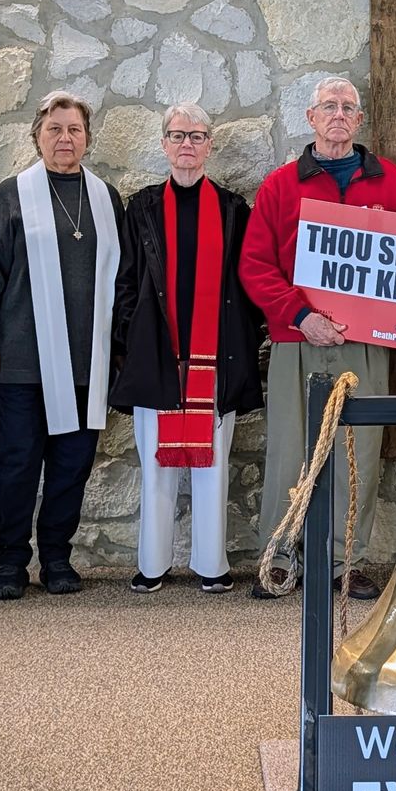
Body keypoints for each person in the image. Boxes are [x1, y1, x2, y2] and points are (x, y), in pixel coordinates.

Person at [240, 76, 396, 601]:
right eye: (328, 106)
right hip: (298, 336)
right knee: (292, 446)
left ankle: (349, 560)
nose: (338, 114)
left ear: (359, 121)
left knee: (358, 447)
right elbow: (255, 265)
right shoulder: (280, 184)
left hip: (365, 340)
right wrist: (298, 314)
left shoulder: (389, 182)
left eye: (348, 107)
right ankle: (281, 554)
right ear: (311, 118)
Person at [0, 91, 125, 601]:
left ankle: (56, 555)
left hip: (88, 360)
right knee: (16, 462)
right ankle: (12, 559)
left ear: (87, 137)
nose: (65, 138)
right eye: (54, 129)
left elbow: (121, 281)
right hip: (22, 358)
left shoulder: (106, 197)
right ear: (37, 136)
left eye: (74, 129)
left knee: (72, 462)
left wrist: (119, 349)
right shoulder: (12, 195)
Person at [109, 104, 265, 595]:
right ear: (164, 144)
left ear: (209, 145)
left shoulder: (234, 208)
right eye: (178, 135)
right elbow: (127, 279)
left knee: (214, 462)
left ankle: (211, 564)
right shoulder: (142, 207)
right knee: (155, 461)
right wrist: (130, 338)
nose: (187, 145)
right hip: (157, 351)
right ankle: (152, 563)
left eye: (197, 136)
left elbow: (247, 282)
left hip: (215, 356)